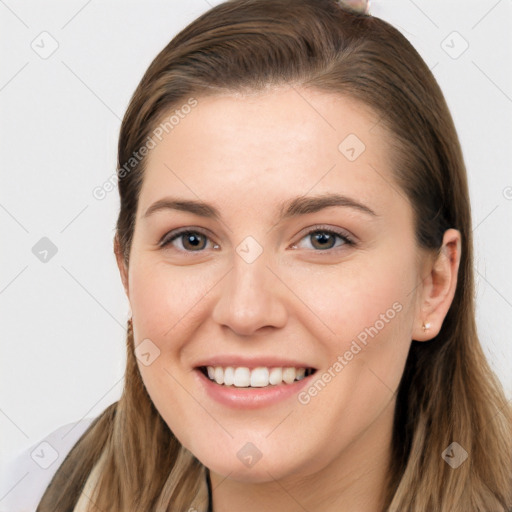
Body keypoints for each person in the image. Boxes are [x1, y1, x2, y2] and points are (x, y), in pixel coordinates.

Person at [9, 0, 512, 510]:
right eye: (192, 240)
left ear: (435, 284)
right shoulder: (31, 491)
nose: (245, 311)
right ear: (126, 270)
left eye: (323, 239)